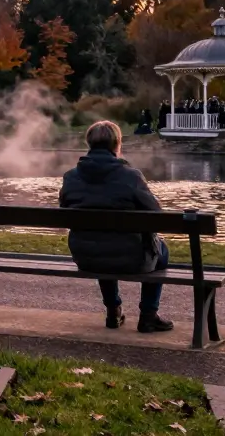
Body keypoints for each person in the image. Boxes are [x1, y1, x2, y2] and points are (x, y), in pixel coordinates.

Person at [59, 121, 174, 334]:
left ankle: (113, 310)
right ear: (117, 144)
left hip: (85, 256)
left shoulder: (70, 177)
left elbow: (64, 211)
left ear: (89, 144)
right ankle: (148, 315)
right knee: (161, 251)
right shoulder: (131, 176)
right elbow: (158, 215)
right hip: (131, 258)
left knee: (100, 241)